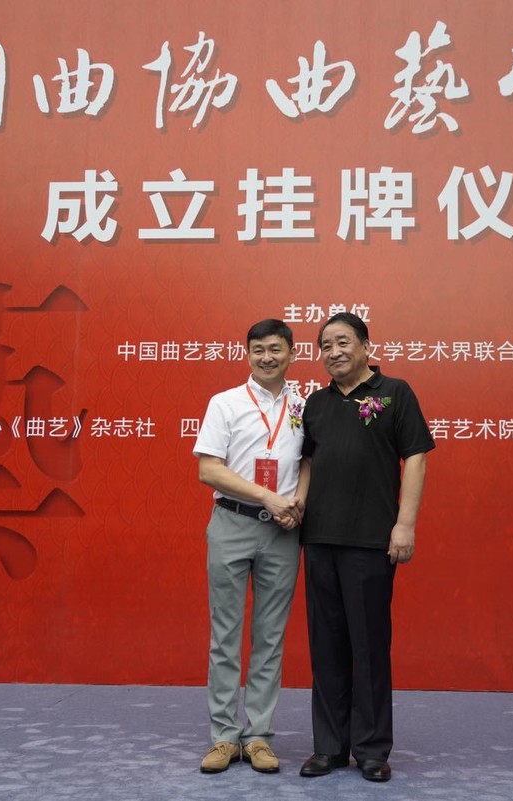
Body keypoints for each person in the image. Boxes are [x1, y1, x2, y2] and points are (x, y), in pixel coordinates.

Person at [296, 312, 434, 783]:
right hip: (318, 539)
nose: (333, 352)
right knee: (326, 646)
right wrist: (298, 506)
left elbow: (415, 458)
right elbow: (307, 463)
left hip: (371, 541)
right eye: (325, 345)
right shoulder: (315, 403)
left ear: (366, 346)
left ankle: (372, 749)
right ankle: (329, 747)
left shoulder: (395, 392)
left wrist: (405, 524)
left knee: (369, 647)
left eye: (343, 342)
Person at [192, 319, 307, 775]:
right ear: (247, 354)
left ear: (292, 353)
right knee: (225, 635)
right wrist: (267, 496)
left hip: (283, 531)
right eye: (257, 350)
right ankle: (223, 736)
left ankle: (258, 736)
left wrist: (298, 502)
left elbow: (309, 462)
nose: (266, 357)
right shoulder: (225, 402)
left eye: (275, 349)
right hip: (232, 524)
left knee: (270, 637)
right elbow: (209, 470)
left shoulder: (303, 405)